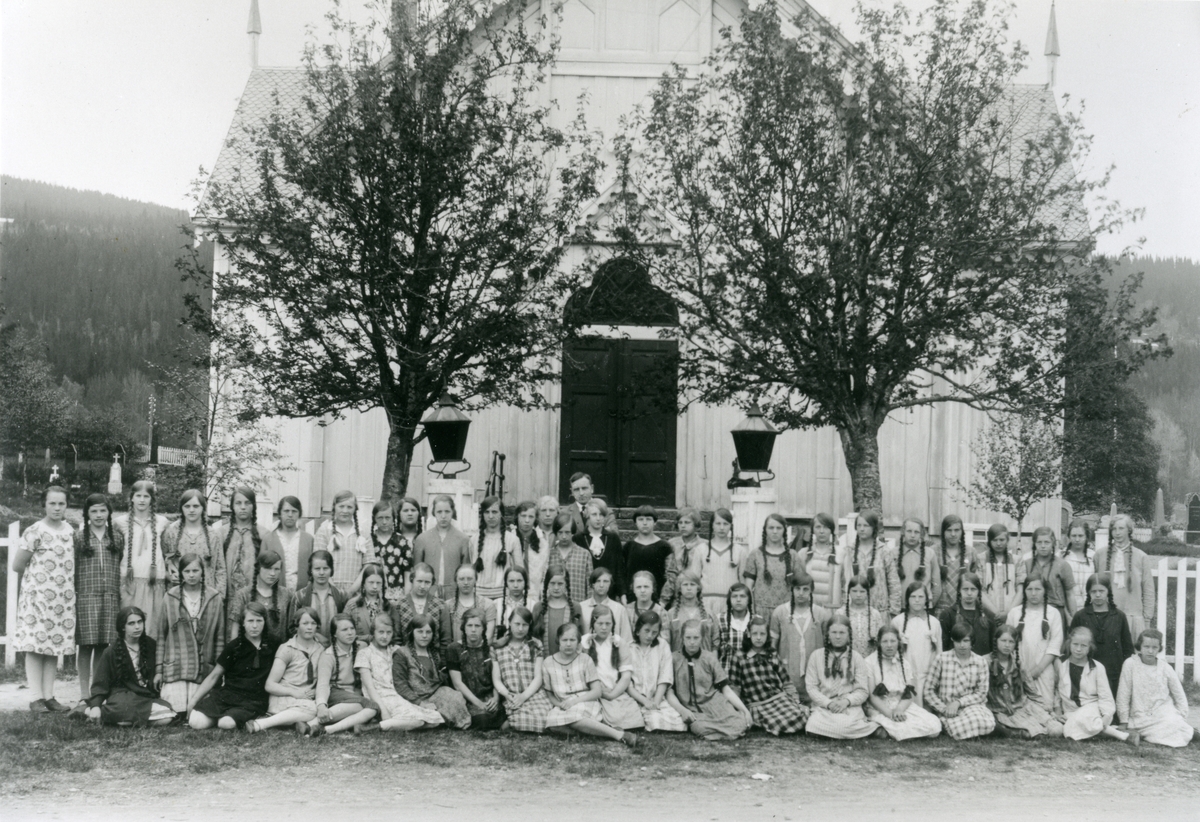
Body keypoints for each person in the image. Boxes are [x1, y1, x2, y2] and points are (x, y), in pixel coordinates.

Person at [14, 485, 76, 713]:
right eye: (52, 503)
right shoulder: (34, 531)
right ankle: (35, 697)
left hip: (62, 601)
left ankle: (49, 696)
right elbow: (17, 565)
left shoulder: (70, 531)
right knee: (35, 646)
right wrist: (39, 586)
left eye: (61, 503)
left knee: (53, 647)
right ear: (45, 504)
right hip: (38, 599)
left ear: (67, 505)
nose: (57, 507)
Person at [542, 622, 639, 745]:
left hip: (585, 702)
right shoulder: (548, 662)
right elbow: (549, 693)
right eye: (564, 640)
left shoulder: (585, 660)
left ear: (578, 642)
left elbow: (596, 691)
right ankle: (601, 731)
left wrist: (574, 702)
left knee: (571, 718)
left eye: (572, 640)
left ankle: (620, 735)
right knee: (553, 724)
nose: (568, 644)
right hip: (564, 705)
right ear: (558, 641)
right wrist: (560, 704)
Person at [187, 602, 278, 730]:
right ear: (243, 623)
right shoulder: (234, 646)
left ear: (265, 622)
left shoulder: (275, 644)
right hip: (228, 695)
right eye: (250, 621)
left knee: (226, 724)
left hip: (254, 700)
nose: (255, 626)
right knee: (196, 722)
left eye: (259, 621)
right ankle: (221, 716)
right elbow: (214, 675)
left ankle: (235, 717)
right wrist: (194, 700)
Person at [156, 553, 225, 719]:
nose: (192, 575)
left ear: (203, 572)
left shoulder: (214, 598)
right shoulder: (170, 597)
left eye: (196, 570)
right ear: (181, 573)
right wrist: (159, 670)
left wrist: (218, 672)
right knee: (173, 714)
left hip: (203, 670)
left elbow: (220, 637)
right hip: (176, 668)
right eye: (187, 571)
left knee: (199, 712)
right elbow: (161, 636)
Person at [82, 606, 174, 726]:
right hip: (122, 696)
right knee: (125, 708)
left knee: (167, 716)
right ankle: (102, 713)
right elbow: (100, 684)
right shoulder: (111, 651)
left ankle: (123, 720)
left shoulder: (151, 645)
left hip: (145, 695)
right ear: (122, 627)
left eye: (140, 622)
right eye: (131, 623)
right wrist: (95, 706)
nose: (137, 627)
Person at [355, 613, 443, 732]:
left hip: (398, 695)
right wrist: (383, 710)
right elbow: (369, 687)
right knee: (419, 720)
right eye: (381, 632)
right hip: (380, 697)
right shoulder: (364, 654)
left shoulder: (396, 650)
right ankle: (370, 728)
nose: (385, 636)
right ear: (373, 632)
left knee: (436, 719)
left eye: (389, 632)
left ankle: (392, 724)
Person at [668, 619, 752, 740]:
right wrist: (682, 710)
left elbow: (725, 689)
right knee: (698, 726)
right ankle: (725, 733)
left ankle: (715, 735)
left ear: (702, 638)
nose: (692, 642)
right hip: (692, 708)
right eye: (688, 637)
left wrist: (744, 710)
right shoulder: (674, 659)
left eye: (696, 638)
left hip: (714, 703)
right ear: (682, 638)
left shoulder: (709, 658)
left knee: (740, 722)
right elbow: (669, 691)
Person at [74, 492, 121, 703]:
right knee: (85, 645)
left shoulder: (117, 537)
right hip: (86, 597)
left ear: (109, 512)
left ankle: (98, 691)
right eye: (94, 511)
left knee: (103, 645)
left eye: (103, 510)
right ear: (87, 514)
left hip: (109, 597)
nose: (99, 515)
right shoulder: (78, 537)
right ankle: (84, 693)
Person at [727, 616, 808, 736]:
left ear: (767, 635)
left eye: (762, 634)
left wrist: (796, 701)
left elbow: (786, 681)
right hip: (757, 705)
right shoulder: (739, 656)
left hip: (778, 699)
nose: (759, 638)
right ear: (748, 634)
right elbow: (735, 688)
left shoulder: (772, 654)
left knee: (801, 714)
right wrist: (738, 710)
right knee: (780, 722)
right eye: (755, 633)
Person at [249, 607, 324, 733]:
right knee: (313, 710)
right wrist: (295, 693)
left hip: (305, 698)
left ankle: (302, 724)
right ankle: (261, 723)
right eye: (305, 623)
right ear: (296, 626)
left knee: (321, 708)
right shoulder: (287, 649)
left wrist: (313, 691)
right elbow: (270, 685)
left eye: (313, 623)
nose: (310, 627)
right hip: (284, 696)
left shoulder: (320, 649)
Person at [1056, 625, 1135, 744]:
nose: (1078, 649)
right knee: (1072, 723)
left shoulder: (1097, 667)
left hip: (1092, 708)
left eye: (1083, 646)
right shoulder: (1060, 665)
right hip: (1070, 710)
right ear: (1069, 644)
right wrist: (1057, 711)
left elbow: (1106, 696)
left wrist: (1106, 717)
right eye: (1075, 644)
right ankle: (1117, 733)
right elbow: (1055, 691)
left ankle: (1114, 733)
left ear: (1090, 647)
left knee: (1074, 724)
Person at [803, 613, 877, 739]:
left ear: (849, 635)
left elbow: (863, 691)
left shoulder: (857, 658)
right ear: (828, 634)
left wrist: (846, 702)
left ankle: (858, 728)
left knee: (845, 724)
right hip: (824, 707)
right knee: (812, 726)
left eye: (842, 633)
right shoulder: (816, 656)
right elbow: (811, 688)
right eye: (834, 632)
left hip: (848, 707)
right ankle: (854, 732)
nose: (838, 636)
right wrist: (828, 703)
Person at [1117, 629, 1195, 747]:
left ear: (1159, 648)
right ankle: (1188, 733)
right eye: (1146, 646)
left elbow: (1179, 694)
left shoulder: (1165, 667)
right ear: (1140, 646)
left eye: (1154, 647)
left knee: (1174, 723)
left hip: (1163, 712)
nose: (1150, 651)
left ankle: (1185, 730)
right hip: (1140, 714)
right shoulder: (1130, 664)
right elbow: (1123, 694)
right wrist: (1124, 720)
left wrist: (1182, 715)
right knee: (1161, 729)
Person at [393, 613, 472, 729]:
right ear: (412, 632)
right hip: (414, 697)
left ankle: (461, 721)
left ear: (433, 634)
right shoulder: (402, 653)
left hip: (434, 693)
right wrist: (420, 702)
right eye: (420, 631)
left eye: (428, 632)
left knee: (454, 696)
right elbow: (400, 684)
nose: (424, 636)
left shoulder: (434, 653)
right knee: (431, 712)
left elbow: (438, 681)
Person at [864, 625, 942, 740]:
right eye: (885, 641)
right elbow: (872, 697)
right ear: (879, 643)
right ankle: (881, 729)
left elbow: (908, 693)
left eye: (893, 641)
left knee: (934, 725)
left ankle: (890, 730)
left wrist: (900, 709)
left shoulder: (904, 663)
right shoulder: (869, 662)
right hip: (880, 707)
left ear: (898, 642)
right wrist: (890, 714)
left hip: (901, 706)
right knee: (900, 728)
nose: (889, 645)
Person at [987, 624, 1063, 739]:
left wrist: (1047, 710)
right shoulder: (985, 662)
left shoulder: (1018, 663)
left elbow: (1032, 691)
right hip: (1002, 711)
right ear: (996, 641)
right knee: (1036, 734)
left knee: (1057, 729)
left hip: (1024, 706)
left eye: (1011, 642)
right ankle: (1015, 732)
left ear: (1015, 644)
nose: (1007, 645)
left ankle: (1032, 728)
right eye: (1003, 641)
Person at [308, 613, 378, 736]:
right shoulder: (328, 656)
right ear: (335, 634)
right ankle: (314, 723)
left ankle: (326, 728)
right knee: (370, 707)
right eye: (344, 630)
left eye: (352, 628)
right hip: (335, 693)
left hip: (354, 693)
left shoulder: (362, 647)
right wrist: (321, 705)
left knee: (362, 707)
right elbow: (323, 684)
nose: (350, 633)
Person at [924, 623, 996, 740]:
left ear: (972, 641)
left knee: (981, 720)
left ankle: (964, 731)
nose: (962, 645)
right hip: (947, 709)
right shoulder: (942, 659)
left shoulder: (980, 661)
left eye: (966, 641)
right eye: (958, 641)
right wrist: (944, 708)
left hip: (971, 707)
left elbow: (981, 693)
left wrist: (958, 703)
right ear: (952, 641)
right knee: (954, 722)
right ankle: (968, 732)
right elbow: (928, 691)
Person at [117, 480, 169, 640]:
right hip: (130, 582)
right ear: (131, 498)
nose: (141, 500)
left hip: (154, 582)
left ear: (152, 499)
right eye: (138, 496)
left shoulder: (162, 522)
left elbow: (167, 551)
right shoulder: (120, 522)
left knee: (151, 628)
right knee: (130, 626)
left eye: (146, 496)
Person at [581, 605, 644, 732]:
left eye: (608, 623)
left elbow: (626, 676)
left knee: (628, 715)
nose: (604, 627)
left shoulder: (619, 643)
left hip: (613, 690)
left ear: (613, 624)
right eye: (600, 623)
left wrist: (612, 694)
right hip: (592, 690)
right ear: (593, 623)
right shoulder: (584, 643)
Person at [1069, 572, 1134, 697]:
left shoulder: (1119, 616)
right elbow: (1071, 646)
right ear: (1088, 592)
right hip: (1087, 672)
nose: (1098, 595)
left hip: (1113, 673)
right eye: (1093, 591)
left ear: (1108, 591)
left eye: (1101, 591)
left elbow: (1127, 648)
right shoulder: (1080, 616)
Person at [491, 606, 553, 733]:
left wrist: (524, 696)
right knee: (521, 716)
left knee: (546, 718)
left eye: (524, 625)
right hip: (511, 696)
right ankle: (516, 721)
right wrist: (509, 696)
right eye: (517, 624)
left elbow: (538, 677)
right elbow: (496, 679)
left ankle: (516, 723)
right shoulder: (497, 646)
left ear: (530, 625)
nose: (520, 629)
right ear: (509, 622)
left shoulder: (536, 645)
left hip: (533, 694)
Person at [1005, 577, 1063, 708]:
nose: (1033, 593)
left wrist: (1037, 670)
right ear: (1024, 591)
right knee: (1021, 707)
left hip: (1043, 668)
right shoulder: (1015, 613)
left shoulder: (1053, 613)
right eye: (1029, 589)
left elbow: (1055, 645)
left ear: (1045, 591)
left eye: (1038, 589)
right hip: (1018, 669)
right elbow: (1008, 643)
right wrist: (1020, 672)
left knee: (1045, 707)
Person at [771, 570, 831, 697]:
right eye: (797, 589)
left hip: (814, 671)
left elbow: (828, 645)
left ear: (811, 590)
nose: (801, 593)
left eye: (805, 589)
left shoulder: (821, 614)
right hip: (788, 670)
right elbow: (772, 646)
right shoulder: (780, 612)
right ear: (791, 589)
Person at [1095, 514, 1156, 637]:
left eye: (1121, 528)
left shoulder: (1141, 557)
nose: (1117, 533)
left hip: (1133, 617)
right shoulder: (1100, 555)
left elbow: (1148, 590)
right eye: (1114, 529)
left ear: (1129, 530)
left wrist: (1147, 619)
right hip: (1106, 616)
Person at [627, 610, 687, 732]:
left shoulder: (662, 646)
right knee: (635, 720)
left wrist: (656, 701)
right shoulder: (628, 648)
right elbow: (627, 683)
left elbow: (665, 676)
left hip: (657, 697)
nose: (650, 636)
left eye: (654, 632)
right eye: (646, 631)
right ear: (638, 630)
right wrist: (644, 701)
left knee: (679, 723)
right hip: (634, 698)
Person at [447, 609, 505, 729]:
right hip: (467, 699)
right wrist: (478, 703)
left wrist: (496, 698)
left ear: (483, 628)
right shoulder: (454, 649)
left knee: (503, 714)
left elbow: (497, 679)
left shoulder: (491, 649)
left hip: (489, 698)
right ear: (463, 628)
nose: (473, 630)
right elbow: (458, 684)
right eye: (470, 625)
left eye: (477, 626)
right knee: (482, 720)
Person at [162, 489, 227, 595]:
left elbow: (220, 569)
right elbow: (163, 560)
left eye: (196, 506)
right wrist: (169, 575)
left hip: (207, 594)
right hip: (179, 593)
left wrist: (219, 597)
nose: (191, 510)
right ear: (181, 508)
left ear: (203, 508)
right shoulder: (171, 532)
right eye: (187, 506)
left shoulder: (213, 535)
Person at [226, 550, 296, 646]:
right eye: (268, 568)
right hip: (250, 653)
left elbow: (292, 628)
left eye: (276, 569)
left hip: (280, 653)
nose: (272, 573)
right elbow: (235, 630)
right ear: (258, 568)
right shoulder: (243, 594)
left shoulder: (287, 594)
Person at [313, 490, 375, 594]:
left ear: (355, 509)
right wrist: (334, 590)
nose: (345, 510)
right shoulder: (324, 530)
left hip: (356, 590)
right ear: (334, 507)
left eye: (349, 507)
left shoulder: (363, 532)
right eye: (341, 506)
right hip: (328, 589)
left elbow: (368, 564)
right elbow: (318, 563)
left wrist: (351, 591)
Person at [841, 510, 901, 617]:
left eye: (866, 525)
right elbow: (844, 582)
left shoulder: (884, 551)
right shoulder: (849, 551)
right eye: (859, 525)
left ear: (874, 528)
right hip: (854, 611)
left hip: (880, 611)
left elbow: (894, 583)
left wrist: (894, 610)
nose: (862, 529)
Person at [892, 581, 942, 704]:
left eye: (921, 597)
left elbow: (939, 652)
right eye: (913, 597)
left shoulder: (934, 623)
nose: (917, 600)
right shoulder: (897, 622)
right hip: (904, 676)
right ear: (907, 599)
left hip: (927, 675)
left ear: (926, 600)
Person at [414, 495, 473, 600]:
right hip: (428, 592)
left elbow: (466, 570)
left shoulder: (463, 539)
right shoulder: (422, 539)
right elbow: (416, 571)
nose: (443, 516)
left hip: (454, 592)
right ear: (434, 513)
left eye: (447, 511)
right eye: (439, 512)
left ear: (452, 512)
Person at [217, 486, 269, 604]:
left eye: (247, 503)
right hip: (227, 597)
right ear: (232, 506)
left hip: (253, 598)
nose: (243, 507)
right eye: (238, 503)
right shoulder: (221, 534)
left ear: (253, 506)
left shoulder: (264, 534)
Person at [742, 513, 796, 619]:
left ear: (784, 530)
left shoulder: (793, 555)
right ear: (765, 530)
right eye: (771, 527)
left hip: (785, 611)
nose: (775, 531)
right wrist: (751, 610)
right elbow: (748, 586)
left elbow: (799, 585)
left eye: (779, 528)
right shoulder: (756, 554)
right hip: (761, 611)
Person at [1018, 526, 1077, 621]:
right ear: (1034, 544)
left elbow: (1069, 593)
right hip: (1031, 612)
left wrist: (1074, 618)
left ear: (1053, 544)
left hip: (1056, 612)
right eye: (1039, 542)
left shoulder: (1062, 565)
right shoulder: (1026, 564)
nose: (1043, 546)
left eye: (1047, 542)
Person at [622, 505, 675, 607]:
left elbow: (671, 576)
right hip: (633, 601)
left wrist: (663, 601)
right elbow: (623, 574)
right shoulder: (628, 547)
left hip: (657, 602)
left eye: (648, 519)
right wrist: (624, 595)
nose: (645, 523)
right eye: (640, 519)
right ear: (635, 522)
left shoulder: (664, 547)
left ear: (655, 522)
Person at [473, 496, 523, 601]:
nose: (490, 516)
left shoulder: (512, 540)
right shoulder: (474, 540)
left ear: (501, 514)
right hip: (479, 595)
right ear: (482, 514)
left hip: (503, 596)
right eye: (487, 512)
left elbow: (519, 571)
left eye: (495, 512)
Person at [575, 499, 625, 602]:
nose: (598, 518)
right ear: (587, 515)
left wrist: (622, 594)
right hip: (585, 595)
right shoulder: (578, 539)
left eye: (601, 515)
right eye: (594, 514)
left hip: (609, 594)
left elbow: (619, 568)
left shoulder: (613, 538)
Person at [295, 550, 348, 645]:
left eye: (326, 568)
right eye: (317, 569)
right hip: (308, 649)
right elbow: (292, 627)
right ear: (310, 570)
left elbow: (346, 625)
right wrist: (316, 636)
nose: (322, 572)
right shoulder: (300, 596)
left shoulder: (341, 595)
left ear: (331, 570)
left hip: (335, 650)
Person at [792, 512, 843, 610]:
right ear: (813, 530)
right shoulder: (803, 554)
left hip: (832, 610)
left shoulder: (840, 554)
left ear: (831, 530)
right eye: (818, 527)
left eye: (826, 527)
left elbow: (846, 585)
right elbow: (798, 584)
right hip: (809, 609)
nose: (822, 531)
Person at [700, 508, 744, 619]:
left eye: (726, 524)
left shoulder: (739, 550)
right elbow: (694, 580)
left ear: (731, 526)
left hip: (731, 602)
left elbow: (743, 583)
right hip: (706, 603)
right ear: (712, 525)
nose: (721, 527)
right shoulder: (701, 549)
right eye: (718, 523)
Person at [261, 496, 311, 592]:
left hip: (302, 593)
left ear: (299, 513)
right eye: (286, 511)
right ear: (280, 513)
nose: (290, 514)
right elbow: (262, 569)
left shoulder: (308, 540)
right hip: (275, 592)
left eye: (294, 511)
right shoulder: (268, 539)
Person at [938, 571, 995, 656]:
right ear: (959, 591)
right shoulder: (948, 615)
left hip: (982, 664)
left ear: (978, 591)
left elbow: (992, 647)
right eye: (965, 589)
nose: (969, 593)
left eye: (973, 589)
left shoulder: (988, 615)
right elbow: (944, 647)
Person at [391, 563, 446, 651]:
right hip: (406, 660)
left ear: (432, 583)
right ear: (412, 579)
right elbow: (396, 639)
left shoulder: (441, 605)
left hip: (433, 660)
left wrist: (442, 663)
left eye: (427, 582)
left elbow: (445, 640)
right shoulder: (398, 605)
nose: (422, 586)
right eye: (419, 581)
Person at [531, 565, 583, 657]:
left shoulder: (575, 607)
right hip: (543, 662)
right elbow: (533, 637)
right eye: (552, 583)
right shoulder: (538, 607)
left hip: (569, 662)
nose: (556, 587)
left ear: (566, 584)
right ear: (547, 584)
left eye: (560, 584)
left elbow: (580, 636)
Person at [371, 498, 417, 600]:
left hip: (397, 595)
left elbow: (407, 573)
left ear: (393, 518)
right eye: (380, 518)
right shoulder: (369, 541)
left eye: (387, 518)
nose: (384, 522)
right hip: (373, 594)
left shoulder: (403, 542)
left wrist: (406, 598)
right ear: (374, 519)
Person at [933, 514, 979, 615]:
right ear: (943, 532)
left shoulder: (971, 552)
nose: (953, 534)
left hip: (963, 608)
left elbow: (976, 583)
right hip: (940, 609)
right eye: (949, 530)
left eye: (957, 530)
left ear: (962, 532)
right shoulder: (933, 552)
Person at [444, 564, 497, 646]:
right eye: (461, 579)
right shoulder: (447, 606)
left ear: (476, 580)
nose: (466, 583)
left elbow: (488, 637)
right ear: (456, 581)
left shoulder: (488, 605)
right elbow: (446, 638)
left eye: (469, 579)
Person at [896, 518, 942, 610]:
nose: (912, 535)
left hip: (923, 608)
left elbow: (936, 584)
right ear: (903, 532)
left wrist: (929, 604)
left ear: (921, 534)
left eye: (916, 532)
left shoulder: (929, 553)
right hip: (900, 608)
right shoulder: (893, 553)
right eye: (909, 531)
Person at [665, 570, 715, 652]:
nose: (689, 588)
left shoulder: (708, 613)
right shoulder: (671, 614)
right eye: (685, 584)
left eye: (692, 584)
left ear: (698, 588)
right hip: (679, 662)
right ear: (680, 588)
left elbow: (715, 643)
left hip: (703, 662)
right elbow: (666, 644)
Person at [548, 512, 592, 604]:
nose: (564, 536)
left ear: (573, 532)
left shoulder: (584, 554)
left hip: (578, 606)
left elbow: (590, 585)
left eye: (567, 532)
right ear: (556, 533)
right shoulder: (549, 554)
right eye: (560, 532)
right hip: (554, 607)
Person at [581, 566, 633, 642]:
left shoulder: (619, 609)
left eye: (605, 581)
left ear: (610, 584)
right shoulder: (582, 607)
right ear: (592, 584)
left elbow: (627, 640)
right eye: (598, 581)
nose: (601, 585)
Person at [979, 523, 1021, 618]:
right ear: (989, 541)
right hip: (988, 614)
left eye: (1002, 540)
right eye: (995, 540)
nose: (998, 543)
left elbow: (1021, 590)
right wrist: (996, 613)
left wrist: (1008, 613)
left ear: (1007, 540)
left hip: (1011, 614)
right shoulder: (981, 559)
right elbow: (979, 590)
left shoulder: (1017, 561)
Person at [839, 573, 886, 657]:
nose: (858, 595)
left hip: (870, 661)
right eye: (854, 591)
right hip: (847, 659)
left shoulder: (875, 614)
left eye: (862, 591)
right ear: (849, 591)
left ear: (867, 593)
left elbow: (881, 639)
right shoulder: (841, 613)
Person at [345, 563, 390, 645]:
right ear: (364, 583)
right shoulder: (352, 604)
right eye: (371, 582)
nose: (375, 586)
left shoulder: (387, 605)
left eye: (378, 583)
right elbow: (344, 630)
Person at [716, 582, 754, 671]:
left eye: (742, 596)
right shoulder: (719, 619)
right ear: (729, 599)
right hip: (725, 672)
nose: (738, 599)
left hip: (750, 672)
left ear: (748, 599)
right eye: (734, 596)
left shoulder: (756, 621)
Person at [668, 507, 706, 593]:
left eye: (687, 522)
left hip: (696, 590)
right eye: (680, 523)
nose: (683, 526)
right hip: (675, 590)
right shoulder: (672, 544)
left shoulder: (704, 545)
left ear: (695, 524)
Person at [492, 566, 531, 645]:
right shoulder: (496, 604)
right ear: (506, 583)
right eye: (511, 581)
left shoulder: (532, 605)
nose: (515, 585)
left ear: (525, 582)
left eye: (519, 581)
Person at [1062, 519, 1096, 601]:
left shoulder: (1093, 556)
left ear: (1086, 536)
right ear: (1069, 536)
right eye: (1074, 536)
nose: (1077, 539)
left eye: (1080, 536)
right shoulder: (1062, 556)